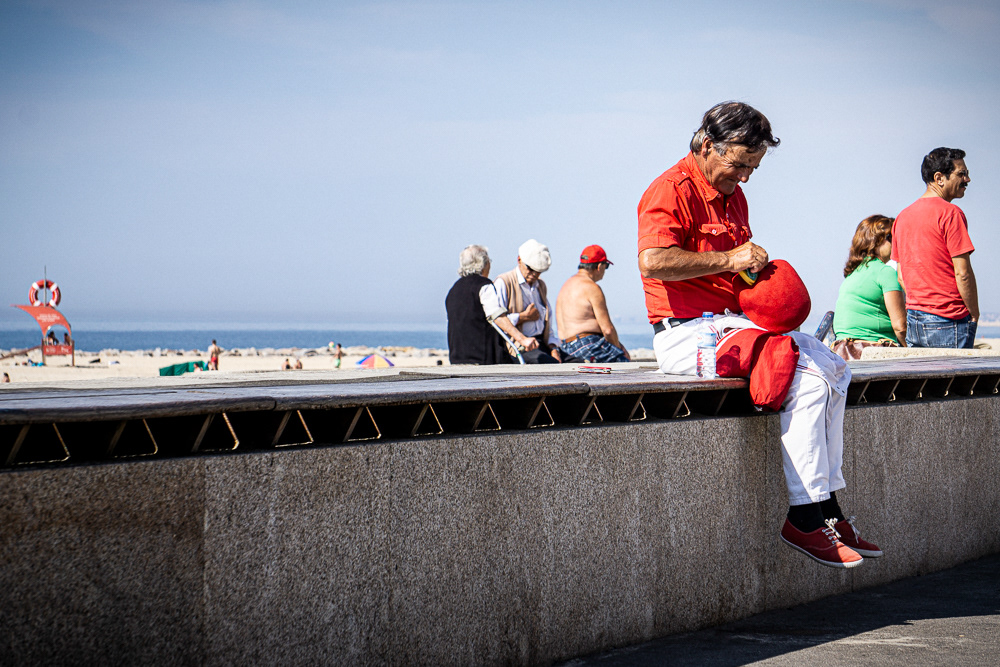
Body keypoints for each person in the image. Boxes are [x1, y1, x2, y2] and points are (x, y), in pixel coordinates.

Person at [637, 101, 880, 568]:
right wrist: (731, 259)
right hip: (686, 333)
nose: (745, 176)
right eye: (739, 164)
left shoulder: (734, 194)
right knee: (804, 378)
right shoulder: (668, 190)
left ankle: (829, 510)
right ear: (708, 145)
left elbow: (736, 267)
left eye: (754, 167)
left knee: (833, 367)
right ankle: (804, 519)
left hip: (730, 325)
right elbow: (653, 261)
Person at [891, 147, 978, 348]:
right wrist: (974, 313)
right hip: (950, 319)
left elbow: (902, 277)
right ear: (939, 178)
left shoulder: (903, 217)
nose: (967, 180)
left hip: (915, 319)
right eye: (961, 174)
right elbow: (962, 273)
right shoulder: (951, 214)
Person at [446, 245, 539, 365]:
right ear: (483, 263)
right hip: (484, 360)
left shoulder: (454, 289)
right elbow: (497, 317)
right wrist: (523, 339)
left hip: (457, 359)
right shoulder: (484, 286)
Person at [831, 215, 907, 360]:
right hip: (873, 349)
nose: (896, 243)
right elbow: (900, 327)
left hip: (843, 350)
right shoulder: (885, 272)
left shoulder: (853, 274)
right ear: (876, 241)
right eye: (891, 237)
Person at [488, 239, 562, 363]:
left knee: (577, 364)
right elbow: (497, 321)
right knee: (551, 364)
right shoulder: (504, 282)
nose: (534, 274)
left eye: (538, 272)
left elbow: (547, 323)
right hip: (518, 346)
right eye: (530, 269)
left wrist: (554, 348)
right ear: (519, 260)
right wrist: (523, 317)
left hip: (541, 343)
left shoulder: (540, 286)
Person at [555, 245, 630, 363]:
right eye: (606, 267)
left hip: (566, 347)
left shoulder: (566, 286)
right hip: (586, 343)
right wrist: (619, 349)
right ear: (599, 266)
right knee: (626, 367)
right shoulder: (592, 287)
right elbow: (607, 329)